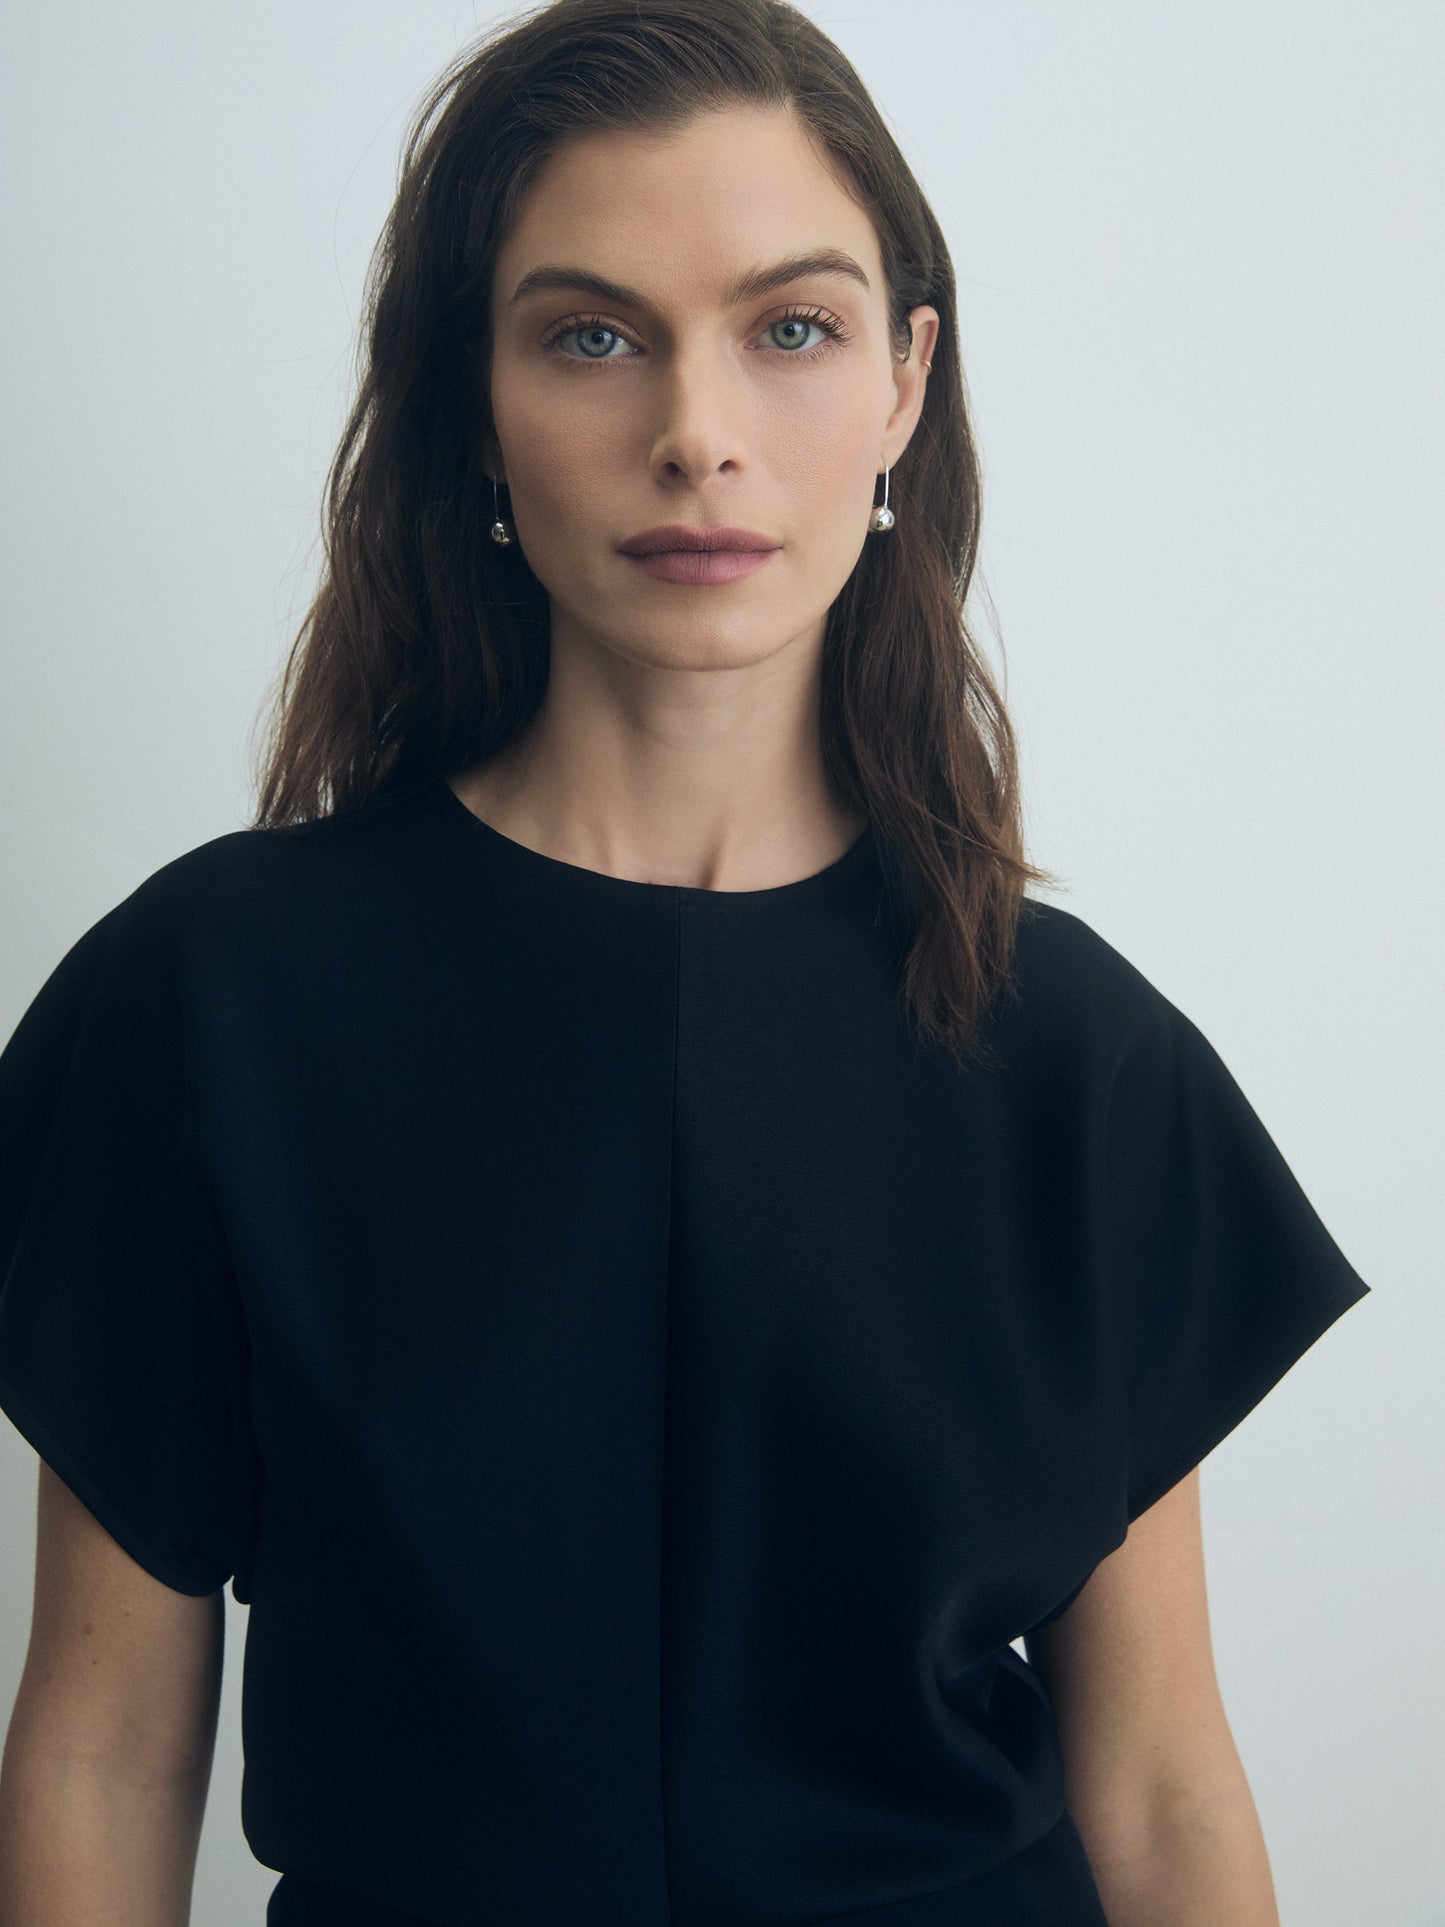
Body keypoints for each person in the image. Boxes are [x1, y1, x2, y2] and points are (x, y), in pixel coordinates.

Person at [0, 1, 1371, 1922]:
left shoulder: (1077, 1058)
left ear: (904, 384)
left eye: (788, 328)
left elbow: (1156, 1786)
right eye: (589, 334)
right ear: (470, 396)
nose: (694, 435)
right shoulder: (209, 1004)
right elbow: (102, 1746)